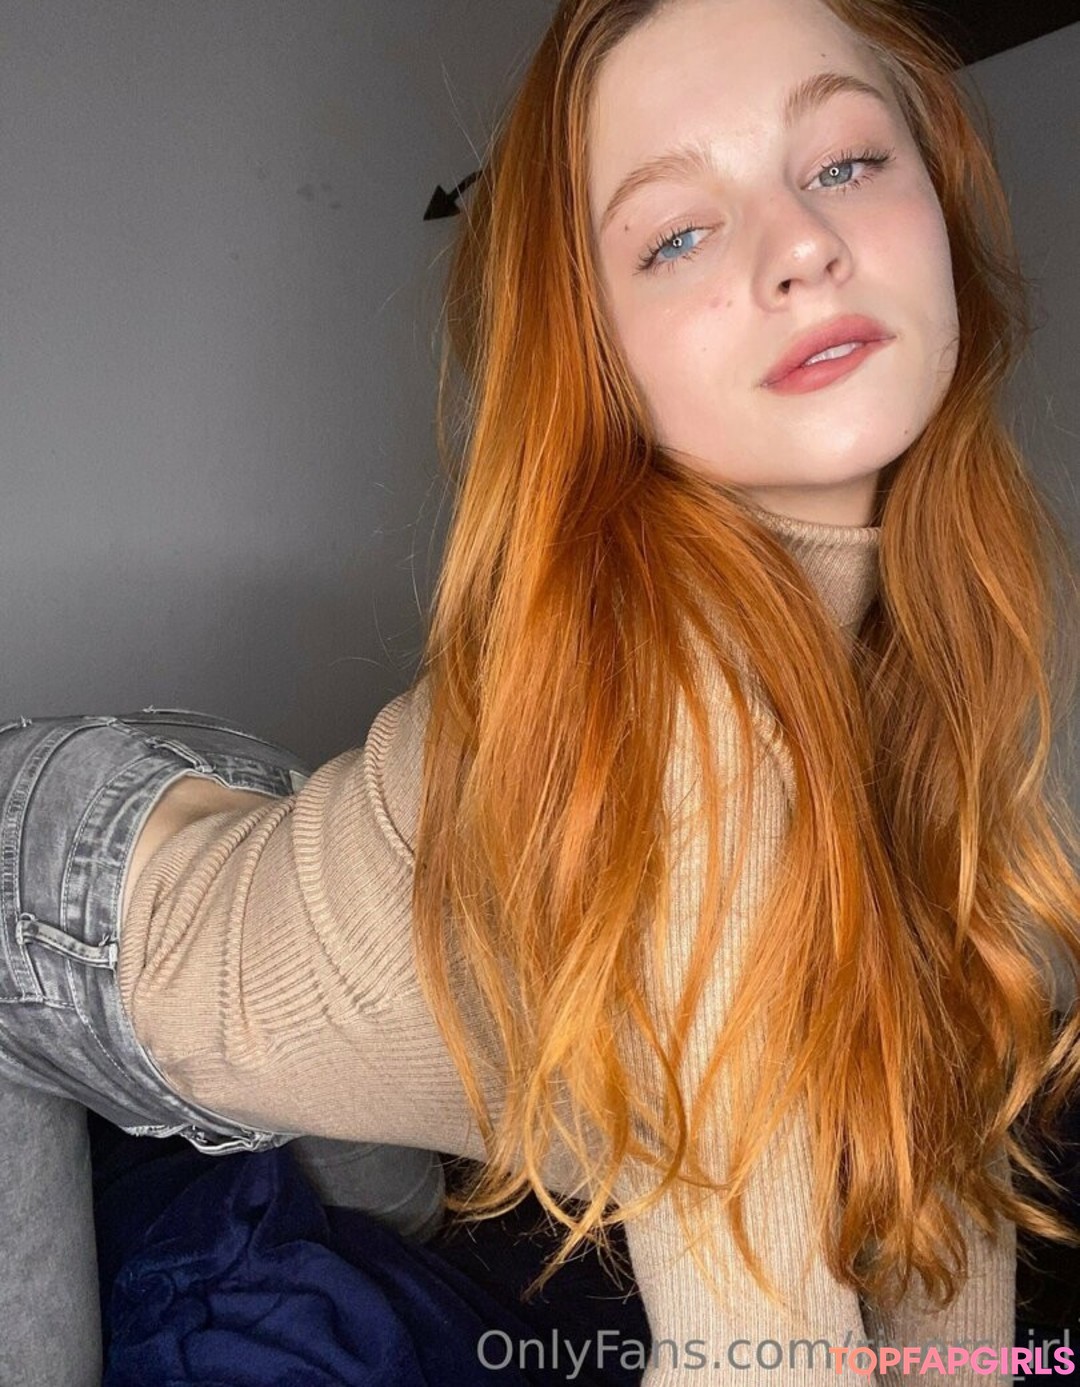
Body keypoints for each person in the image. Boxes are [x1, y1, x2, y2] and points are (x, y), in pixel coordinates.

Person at [2, 0, 1079, 1382]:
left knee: (398, 1231)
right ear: (595, 352)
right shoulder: (677, 700)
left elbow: (934, 1153)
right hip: (53, 902)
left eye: (848, 160)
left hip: (240, 803)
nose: (803, 243)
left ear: (941, 192)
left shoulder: (944, 620)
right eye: (676, 234)